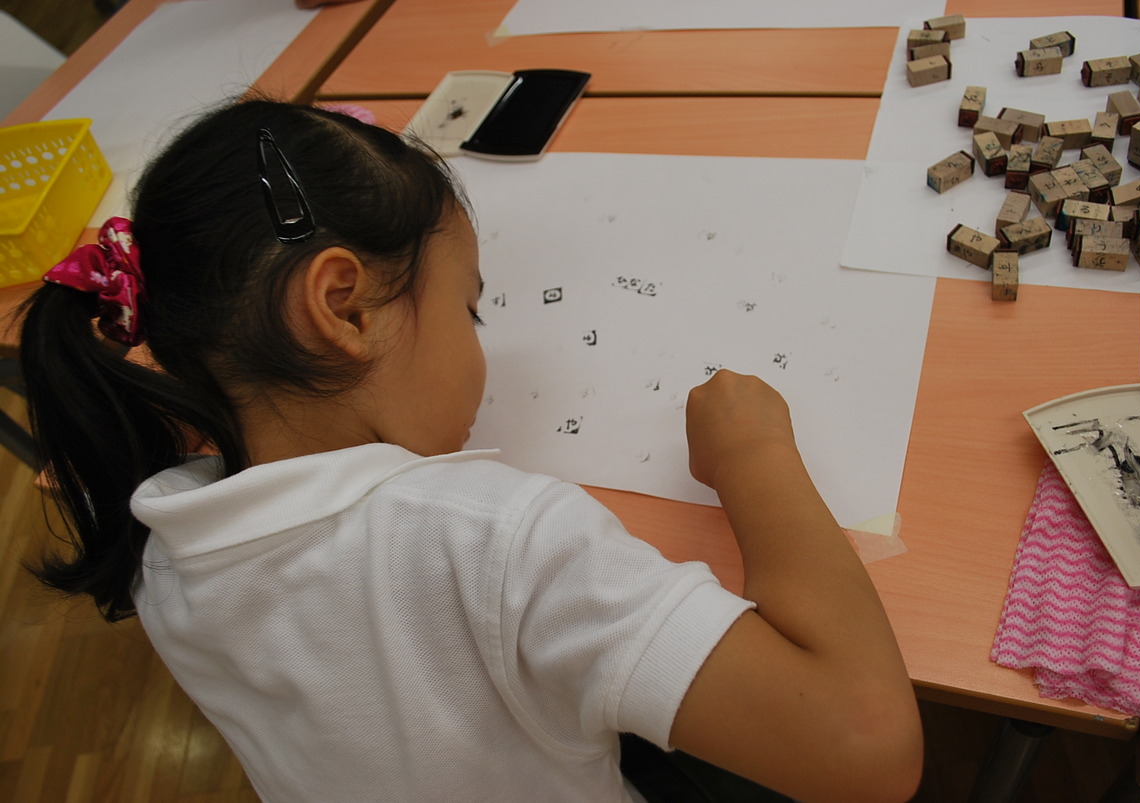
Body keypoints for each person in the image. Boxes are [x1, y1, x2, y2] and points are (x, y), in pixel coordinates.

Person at [18, 99, 922, 802]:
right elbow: (867, 749)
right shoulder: (496, 543)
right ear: (345, 309)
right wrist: (756, 455)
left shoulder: (160, 541)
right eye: (469, 309)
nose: (479, 339)